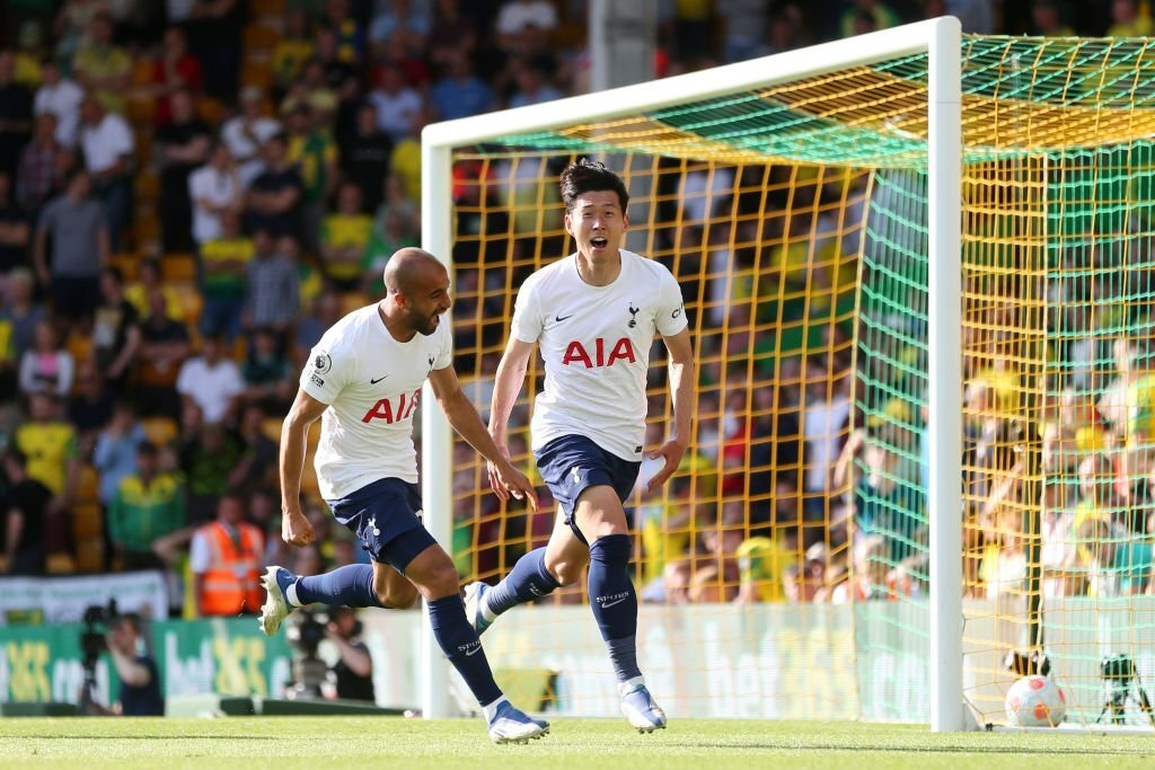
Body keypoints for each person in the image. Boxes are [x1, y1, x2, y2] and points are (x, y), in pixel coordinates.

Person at [259, 247, 549, 744]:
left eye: (447, 290)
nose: (448, 302)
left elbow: (452, 399)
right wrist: (290, 508)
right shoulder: (345, 346)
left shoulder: (431, 331)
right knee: (439, 575)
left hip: (397, 471)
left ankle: (293, 590)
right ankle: (496, 709)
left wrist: (497, 459)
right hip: (352, 479)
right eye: (436, 295)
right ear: (399, 297)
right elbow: (295, 422)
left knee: (393, 594)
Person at [462, 159, 695, 733]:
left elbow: (682, 356)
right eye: (587, 213)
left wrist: (681, 431)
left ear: (624, 223)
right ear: (569, 222)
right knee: (611, 538)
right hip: (563, 434)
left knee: (564, 564)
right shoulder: (543, 288)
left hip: (624, 442)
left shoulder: (655, 280)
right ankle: (632, 686)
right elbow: (515, 363)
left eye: (608, 213)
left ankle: (487, 603)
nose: (599, 223)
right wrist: (496, 438)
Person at [82, 612, 165, 716]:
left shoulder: (146, 663)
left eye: (122, 632)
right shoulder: (124, 666)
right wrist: (97, 708)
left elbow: (132, 677)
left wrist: (112, 648)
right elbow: (124, 715)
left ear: (136, 635)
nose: (116, 636)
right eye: (114, 631)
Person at [325, 605, 375, 702]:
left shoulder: (357, 646)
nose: (348, 621)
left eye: (349, 615)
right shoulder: (325, 647)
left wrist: (334, 636)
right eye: (342, 616)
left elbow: (363, 668)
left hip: (362, 710)